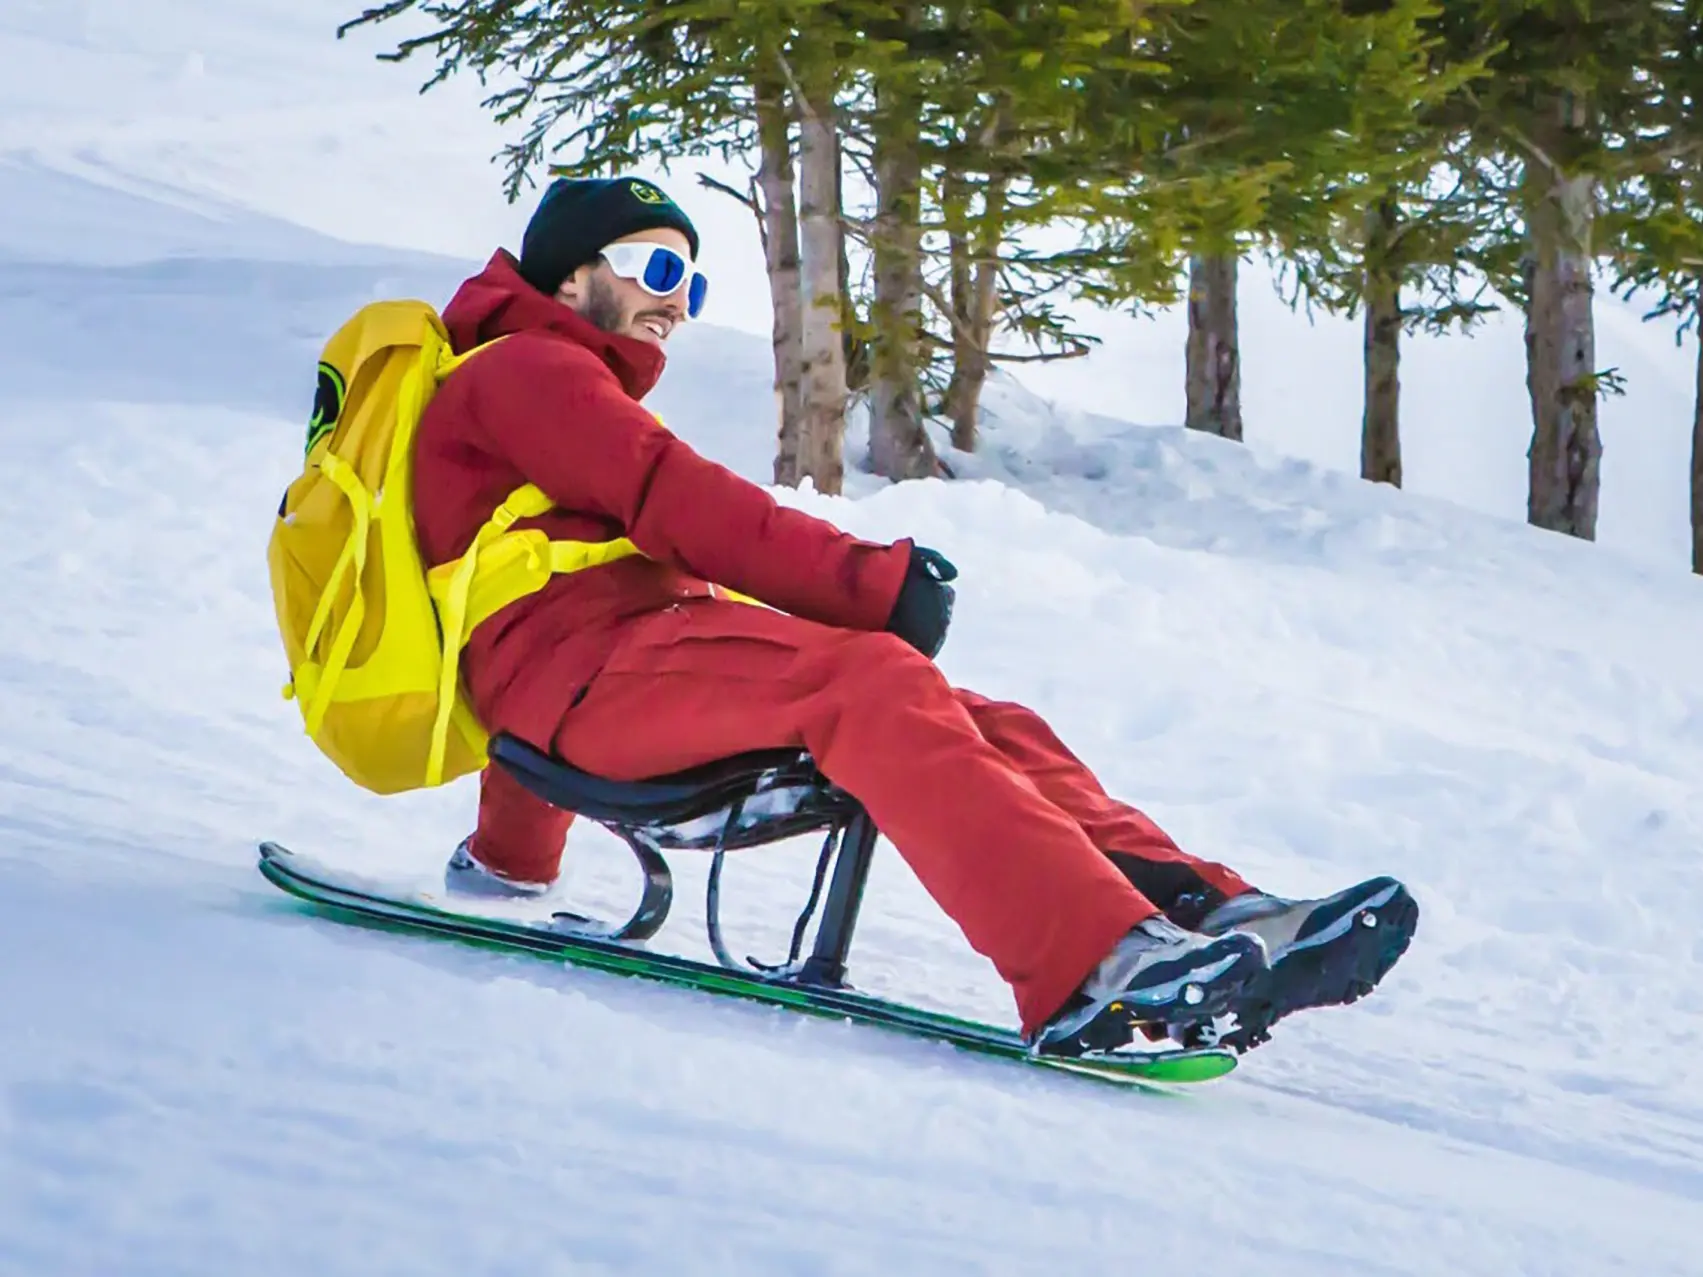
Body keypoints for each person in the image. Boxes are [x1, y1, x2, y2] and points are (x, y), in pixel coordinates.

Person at [410, 175, 1418, 1055]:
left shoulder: (558, 390)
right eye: (650, 269)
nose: (674, 304)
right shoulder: (523, 371)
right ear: (562, 274)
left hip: (618, 668)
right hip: (594, 676)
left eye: (690, 283)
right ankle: (1094, 960)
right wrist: (866, 585)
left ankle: (1201, 914)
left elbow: (557, 624)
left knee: (979, 718)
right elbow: (677, 512)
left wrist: (510, 864)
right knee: (870, 680)